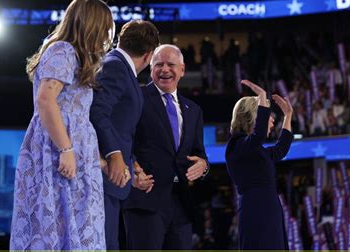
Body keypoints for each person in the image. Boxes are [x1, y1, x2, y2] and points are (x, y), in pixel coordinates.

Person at [10, 0, 114, 250]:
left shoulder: (75, 56)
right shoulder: (63, 50)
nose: (107, 35)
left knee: (76, 228)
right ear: (92, 25)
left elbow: (75, 115)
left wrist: (98, 161)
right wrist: (66, 150)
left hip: (74, 156)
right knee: (57, 228)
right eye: (105, 27)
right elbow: (46, 101)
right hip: (57, 153)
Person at [121, 44, 209, 249]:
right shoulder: (136, 99)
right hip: (145, 202)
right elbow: (123, 141)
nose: (165, 69)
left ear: (182, 70)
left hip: (182, 205)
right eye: (159, 64)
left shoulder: (194, 110)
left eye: (171, 64)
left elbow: (199, 154)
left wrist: (203, 166)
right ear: (151, 69)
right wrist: (132, 170)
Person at [89, 19, 160, 249]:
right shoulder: (115, 66)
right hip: (102, 176)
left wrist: (133, 169)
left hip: (113, 178)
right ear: (149, 56)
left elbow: (120, 127)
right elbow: (98, 112)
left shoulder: (119, 66)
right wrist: (114, 155)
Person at [225, 80, 294, 250]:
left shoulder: (256, 150)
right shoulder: (237, 145)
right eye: (265, 113)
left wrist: (288, 116)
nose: (271, 119)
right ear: (251, 116)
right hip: (255, 210)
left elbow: (280, 150)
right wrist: (262, 97)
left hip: (270, 208)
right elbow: (259, 135)